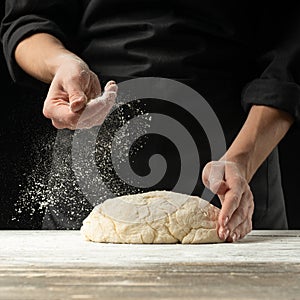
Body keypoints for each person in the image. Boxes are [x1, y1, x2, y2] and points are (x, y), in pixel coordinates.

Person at [1, 1, 299, 241]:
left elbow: (288, 58)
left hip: (234, 161)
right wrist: (63, 64)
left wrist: (242, 161)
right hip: (94, 153)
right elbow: (29, 21)